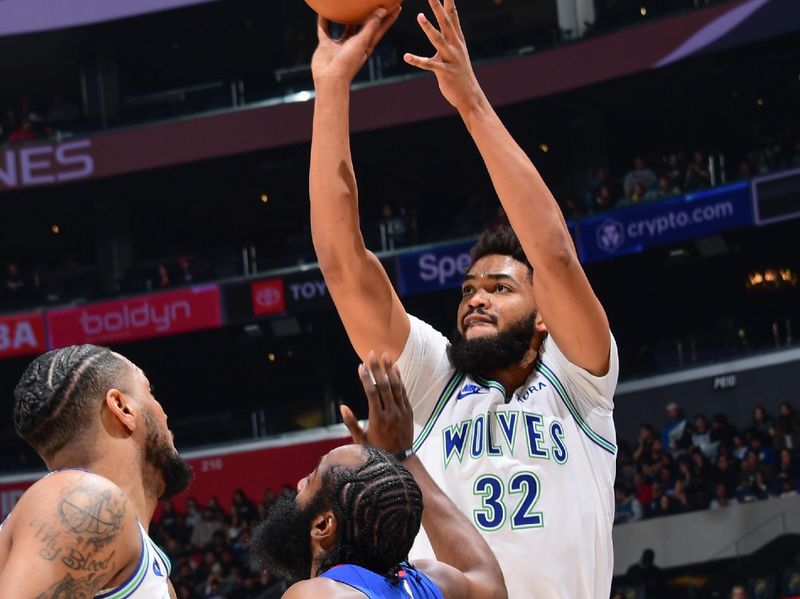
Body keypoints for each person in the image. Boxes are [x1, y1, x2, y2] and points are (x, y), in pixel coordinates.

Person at [308, 2, 618, 596]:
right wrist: (331, 88)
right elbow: (344, 266)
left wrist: (470, 102)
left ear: (546, 318)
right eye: (469, 290)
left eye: (500, 288)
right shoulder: (433, 378)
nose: (476, 299)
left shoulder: (580, 381)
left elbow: (551, 252)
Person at [249, 355, 507, 599]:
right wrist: (403, 457)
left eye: (312, 477)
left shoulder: (317, 594)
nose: (299, 483)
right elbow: (490, 585)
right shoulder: (429, 581)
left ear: (323, 525)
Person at [0, 344, 193, 598]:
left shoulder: (147, 563)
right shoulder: (85, 502)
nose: (164, 413)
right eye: (150, 392)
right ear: (122, 408)